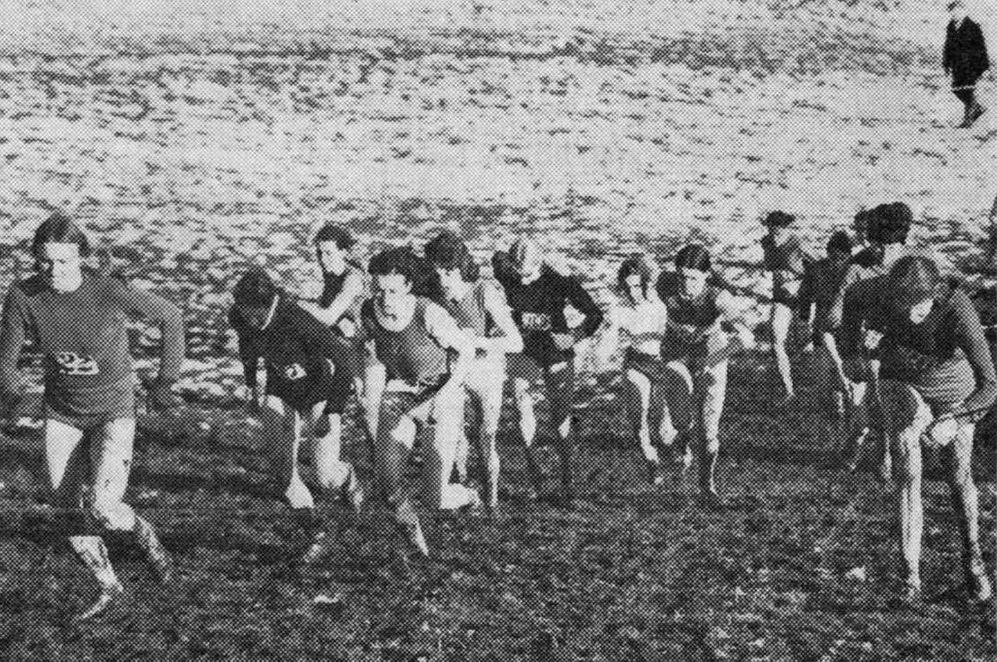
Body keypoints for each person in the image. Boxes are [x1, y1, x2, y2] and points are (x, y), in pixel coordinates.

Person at [0, 212, 184, 620]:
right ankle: (108, 586)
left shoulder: (107, 290)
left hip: (113, 409)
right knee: (65, 507)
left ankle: (143, 534)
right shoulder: (22, 295)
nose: (53, 270)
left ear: (81, 257)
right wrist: (15, 398)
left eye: (63, 261)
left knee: (103, 507)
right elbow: (5, 360)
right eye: (44, 261)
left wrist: (165, 382)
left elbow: (170, 317)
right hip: (62, 411)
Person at [840, 256, 994, 601]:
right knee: (908, 470)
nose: (911, 314)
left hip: (954, 388)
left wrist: (959, 418)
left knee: (957, 475)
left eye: (920, 306)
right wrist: (851, 353)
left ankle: (973, 555)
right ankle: (910, 574)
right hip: (902, 379)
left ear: (935, 293)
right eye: (903, 305)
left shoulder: (956, 308)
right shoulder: (873, 291)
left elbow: (990, 385)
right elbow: (850, 298)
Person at [360, 246, 481, 556]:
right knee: (388, 485)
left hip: (440, 396)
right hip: (400, 395)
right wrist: (371, 398)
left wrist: (448, 392)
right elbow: (376, 355)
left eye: (392, 291)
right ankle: (418, 549)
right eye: (379, 289)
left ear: (408, 287)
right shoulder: (369, 312)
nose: (384, 299)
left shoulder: (428, 313)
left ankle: (469, 496)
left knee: (435, 499)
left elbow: (466, 351)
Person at [228, 269, 363, 516]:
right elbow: (246, 345)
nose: (246, 319)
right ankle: (313, 529)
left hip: (318, 390)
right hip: (280, 390)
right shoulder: (240, 316)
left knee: (325, 479)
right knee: (283, 474)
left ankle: (347, 476)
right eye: (242, 312)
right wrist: (250, 384)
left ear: (266, 306)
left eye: (251, 313)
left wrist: (332, 411)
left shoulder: (295, 319)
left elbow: (344, 359)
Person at [492, 238, 604, 506]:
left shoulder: (559, 281)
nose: (523, 280)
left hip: (555, 350)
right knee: (521, 404)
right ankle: (536, 477)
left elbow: (595, 315)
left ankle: (567, 483)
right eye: (518, 274)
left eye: (528, 274)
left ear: (539, 265)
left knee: (560, 418)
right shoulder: (507, 273)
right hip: (525, 348)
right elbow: (496, 259)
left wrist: (574, 337)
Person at [423, 231, 523, 512]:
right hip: (454, 369)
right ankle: (464, 491)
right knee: (454, 435)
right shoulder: (434, 291)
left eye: (440, 273)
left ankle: (492, 501)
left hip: (485, 370)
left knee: (486, 437)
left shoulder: (484, 292)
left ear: (453, 270)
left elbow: (516, 341)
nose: (436, 280)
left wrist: (477, 341)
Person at [656, 244, 755, 507]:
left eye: (693, 278)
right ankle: (681, 441)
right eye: (682, 277)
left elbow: (748, 337)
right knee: (675, 423)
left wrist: (713, 361)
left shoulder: (718, 297)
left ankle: (706, 485)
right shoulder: (664, 283)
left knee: (709, 432)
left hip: (710, 353)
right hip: (676, 351)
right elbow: (641, 265)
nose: (686, 284)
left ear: (706, 275)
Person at [824, 202, 914, 478]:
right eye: (872, 243)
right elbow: (836, 314)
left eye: (882, 246)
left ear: (900, 242)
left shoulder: (916, 263)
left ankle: (883, 452)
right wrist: (845, 334)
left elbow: (941, 305)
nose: (875, 250)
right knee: (870, 401)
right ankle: (865, 446)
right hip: (870, 349)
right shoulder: (857, 266)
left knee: (890, 403)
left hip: (908, 347)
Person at [595, 254, 672, 486]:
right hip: (637, 363)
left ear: (648, 283)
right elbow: (608, 337)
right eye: (627, 287)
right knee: (639, 417)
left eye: (637, 286)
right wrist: (602, 352)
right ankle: (652, 462)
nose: (632, 292)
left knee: (665, 430)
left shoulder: (663, 304)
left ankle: (670, 449)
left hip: (664, 364)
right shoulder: (620, 308)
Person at [797, 230, 853, 422]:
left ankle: (847, 421)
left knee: (846, 380)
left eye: (841, 257)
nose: (836, 261)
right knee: (822, 383)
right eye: (833, 256)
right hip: (822, 330)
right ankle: (832, 418)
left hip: (848, 333)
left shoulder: (854, 272)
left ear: (848, 256)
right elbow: (804, 297)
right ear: (827, 253)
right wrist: (804, 322)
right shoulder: (817, 270)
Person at [760, 211, 810, 402]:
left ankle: (809, 384)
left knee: (804, 342)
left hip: (802, 296)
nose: (775, 236)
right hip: (780, 297)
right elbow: (769, 267)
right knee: (776, 339)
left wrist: (800, 284)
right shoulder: (766, 242)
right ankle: (788, 390)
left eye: (778, 232)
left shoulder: (798, 243)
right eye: (771, 231)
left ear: (787, 229)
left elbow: (818, 266)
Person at [943, 0, 990, 128]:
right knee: (957, 89)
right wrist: (946, 63)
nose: (955, 14)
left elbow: (981, 48)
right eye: (952, 11)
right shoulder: (951, 26)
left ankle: (967, 121)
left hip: (971, 65)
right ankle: (978, 109)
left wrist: (984, 66)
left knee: (968, 89)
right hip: (957, 65)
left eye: (957, 11)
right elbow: (947, 46)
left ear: (963, 11)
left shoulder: (973, 26)